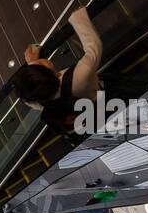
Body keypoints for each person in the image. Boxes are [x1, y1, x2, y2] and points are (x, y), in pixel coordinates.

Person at [15, 8, 102, 137]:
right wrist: (77, 17)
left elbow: (33, 87)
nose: (38, 61)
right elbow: (93, 47)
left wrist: (32, 63)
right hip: (100, 100)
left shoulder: (35, 99)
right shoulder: (80, 76)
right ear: (56, 75)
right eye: (40, 64)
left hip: (88, 120)